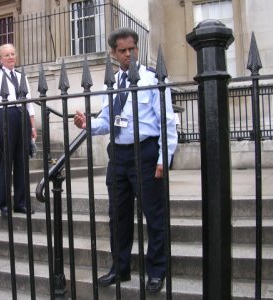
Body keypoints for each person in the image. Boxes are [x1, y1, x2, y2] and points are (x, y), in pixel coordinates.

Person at [74, 28, 178, 293]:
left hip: (146, 152)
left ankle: (156, 271)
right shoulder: (111, 83)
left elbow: (166, 120)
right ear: (114, 53)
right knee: (117, 217)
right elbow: (107, 121)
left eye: (132, 49)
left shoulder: (153, 78)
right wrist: (88, 123)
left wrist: (163, 158)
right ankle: (120, 269)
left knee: (154, 216)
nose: (129, 54)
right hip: (118, 156)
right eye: (123, 50)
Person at [0, 43, 37, 217]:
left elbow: (29, 102)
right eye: (6, 55)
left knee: (21, 162)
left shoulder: (21, 76)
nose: (10, 57)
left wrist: (32, 125)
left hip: (22, 116)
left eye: (13, 54)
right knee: (6, 162)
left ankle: (21, 203)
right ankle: (4, 204)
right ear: (0, 59)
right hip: (5, 116)